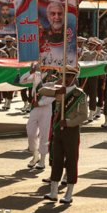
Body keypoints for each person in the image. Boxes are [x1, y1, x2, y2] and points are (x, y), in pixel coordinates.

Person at [43, 65, 88, 204]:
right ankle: (53, 192)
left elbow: (83, 116)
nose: (66, 78)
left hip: (71, 131)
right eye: (64, 75)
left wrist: (68, 122)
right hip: (58, 130)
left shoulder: (79, 94)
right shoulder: (59, 90)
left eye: (69, 76)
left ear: (74, 77)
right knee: (56, 160)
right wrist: (57, 89)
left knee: (71, 161)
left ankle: (69, 193)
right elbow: (41, 90)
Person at [21, 63, 53, 170]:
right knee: (30, 131)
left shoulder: (55, 76)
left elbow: (54, 95)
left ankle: (42, 160)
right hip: (35, 108)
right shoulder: (37, 75)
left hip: (45, 108)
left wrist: (40, 103)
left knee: (44, 134)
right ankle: (35, 154)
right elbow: (22, 80)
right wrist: (31, 72)